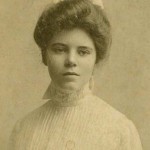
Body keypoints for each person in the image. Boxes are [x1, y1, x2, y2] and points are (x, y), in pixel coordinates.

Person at [8, 0, 143, 149]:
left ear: (95, 58)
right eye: (59, 49)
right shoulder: (23, 130)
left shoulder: (120, 130)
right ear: (45, 55)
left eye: (83, 52)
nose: (71, 60)